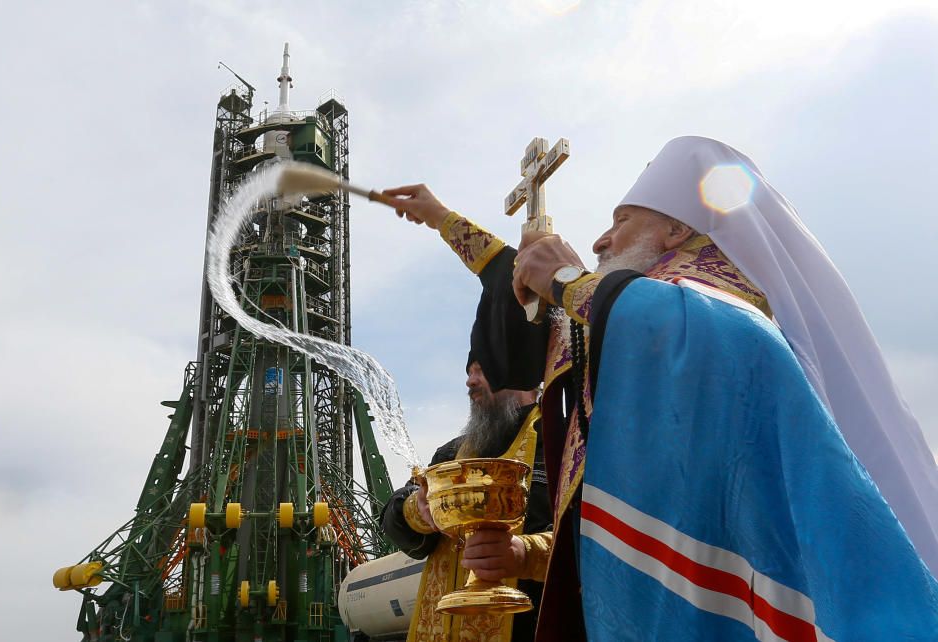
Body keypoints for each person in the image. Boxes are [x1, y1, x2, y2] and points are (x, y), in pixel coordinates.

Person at [383, 136, 938, 640]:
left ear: (677, 229)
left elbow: (682, 331)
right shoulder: (643, 342)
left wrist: (570, 281)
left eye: (621, 219)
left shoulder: (724, 312)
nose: (601, 239)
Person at [380, 360, 552, 642]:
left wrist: (526, 555)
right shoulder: (449, 455)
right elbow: (392, 525)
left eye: (482, 369)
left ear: (524, 374)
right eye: (469, 372)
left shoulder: (565, 446)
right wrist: (417, 508)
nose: (471, 382)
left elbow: (595, 545)